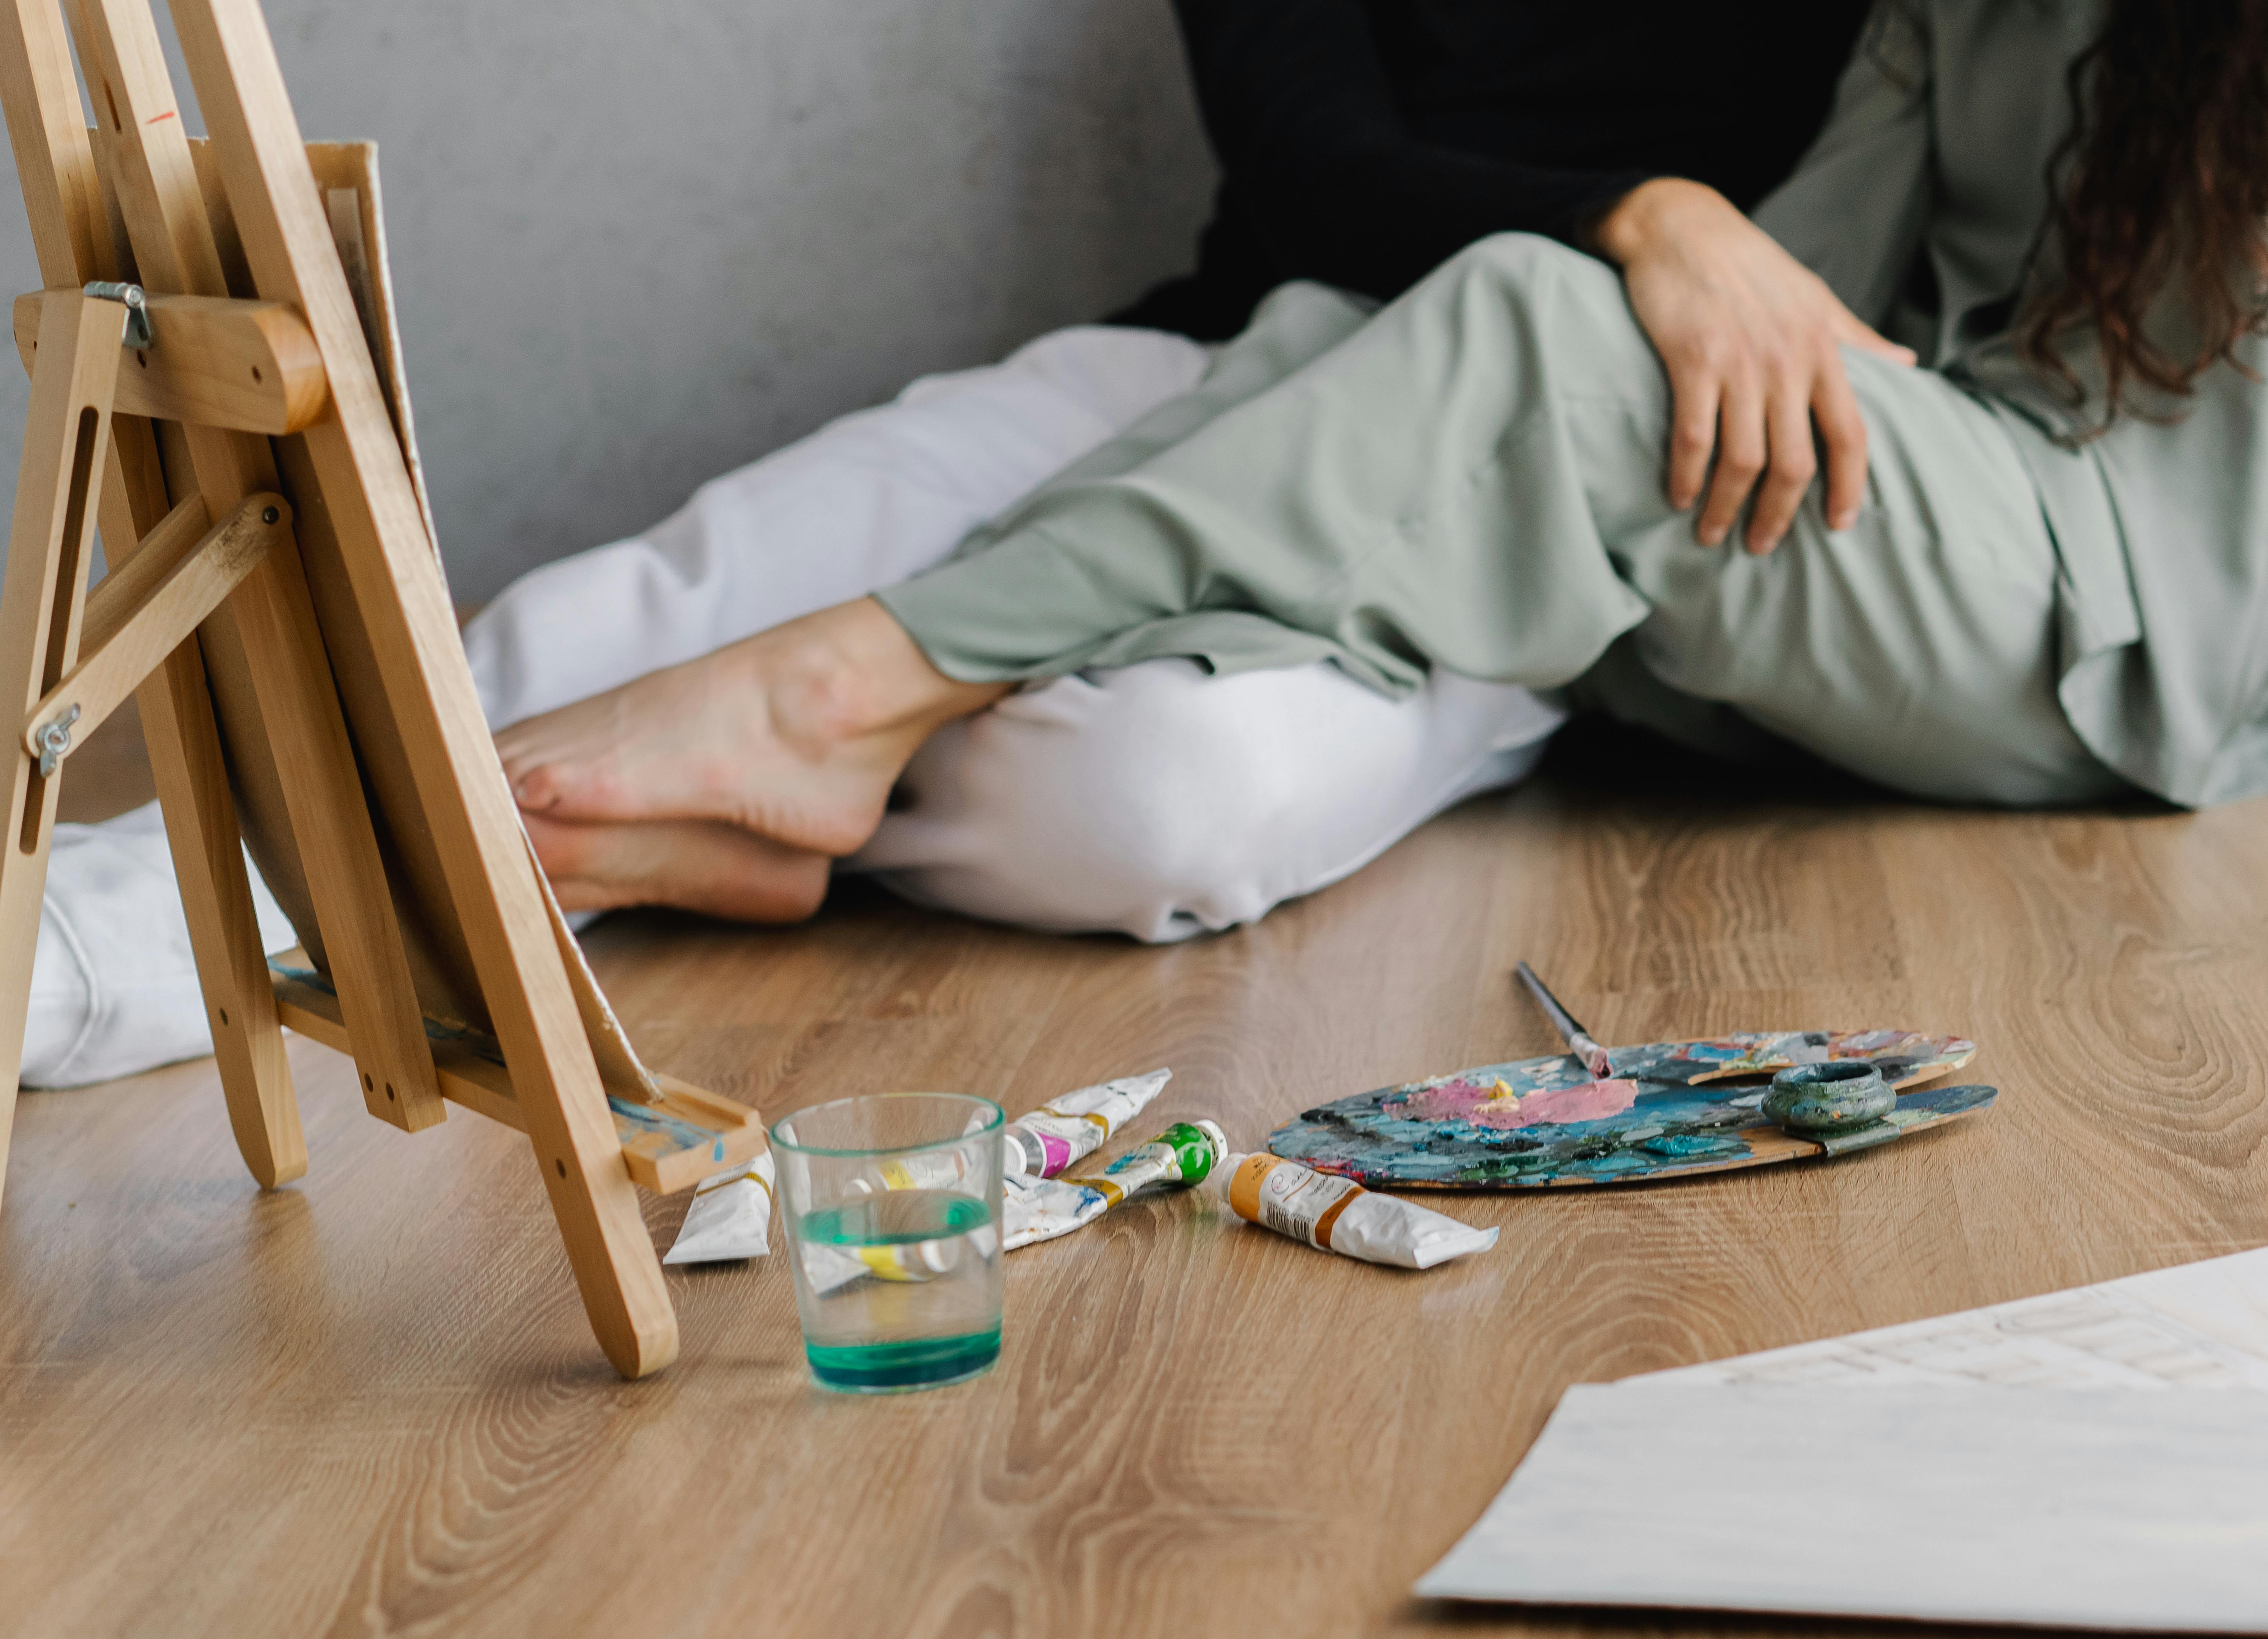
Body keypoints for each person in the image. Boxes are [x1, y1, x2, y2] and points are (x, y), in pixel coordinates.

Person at [500, 0, 2268, 930]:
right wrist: (1618, 324)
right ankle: (844, 730)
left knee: (1534, 314)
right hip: (1977, 494)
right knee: (1450, 324)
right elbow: (1804, 280)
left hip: (2140, 629)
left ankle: (835, 697)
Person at [464, 0, 1885, 939]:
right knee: (569, 642)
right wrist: (1637, 217)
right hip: (1214, 354)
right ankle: (289, 949)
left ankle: (788, 811)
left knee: (1128, 803)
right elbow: (1309, 166)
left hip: (1514, 495)